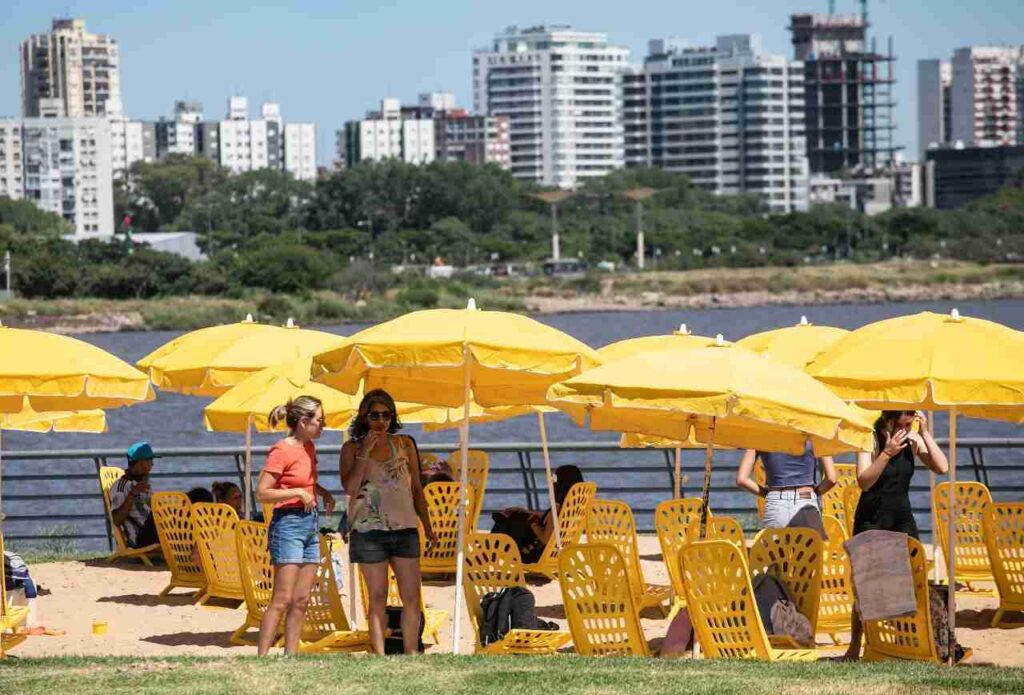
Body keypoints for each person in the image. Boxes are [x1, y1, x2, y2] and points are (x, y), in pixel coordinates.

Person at [844, 410, 949, 660]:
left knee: (909, 581)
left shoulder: (914, 438)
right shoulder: (868, 437)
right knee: (865, 584)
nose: (913, 418)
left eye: (914, 413)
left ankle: (903, 641)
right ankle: (854, 647)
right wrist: (887, 453)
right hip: (872, 517)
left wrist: (925, 434)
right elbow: (864, 481)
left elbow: (942, 467)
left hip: (901, 516)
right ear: (892, 415)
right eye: (908, 414)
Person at [340, 389, 436, 655]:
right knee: (378, 597)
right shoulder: (351, 448)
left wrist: (427, 526)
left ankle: (411, 653)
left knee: (411, 597)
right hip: (369, 532)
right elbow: (350, 488)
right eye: (374, 415)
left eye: (386, 414)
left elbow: (417, 488)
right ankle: (379, 655)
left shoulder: (405, 443)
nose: (381, 420)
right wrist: (364, 453)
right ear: (364, 417)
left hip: (405, 529)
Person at [254, 396, 336, 656]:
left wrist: (321, 492)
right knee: (282, 599)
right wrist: (299, 493)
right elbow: (262, 492)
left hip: (310, 524)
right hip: (287, 524)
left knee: (301, 600)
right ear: (303, 422)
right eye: (320, 421)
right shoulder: (281, 449)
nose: (324, 426)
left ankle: (291, 657)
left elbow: (303, 482)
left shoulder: (309, 447)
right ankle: (262, 657)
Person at [492, 464, 584, 564]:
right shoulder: (574, 507)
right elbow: (550, 523)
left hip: (534, 555)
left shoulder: (557, 509)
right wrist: (528, 513)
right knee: (512, 519)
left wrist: (533, 523)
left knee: (504, 525)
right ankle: (487, 552)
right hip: (556, 553)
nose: (552, 483)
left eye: (554, 480)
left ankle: (487, 555)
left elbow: (545, 539)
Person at [736, 441, 838, 528]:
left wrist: (768, 494)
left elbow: (741, 479)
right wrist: (813, 493)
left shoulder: (761, 435)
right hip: (806, 500)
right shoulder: (815, 435)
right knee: (807, 549)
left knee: (777, 550)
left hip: (776, 502)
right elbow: (831, 479)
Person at [109, 441, 160, 549]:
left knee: (196, 495)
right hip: (140, 538)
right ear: (141, 463)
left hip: (151, 531)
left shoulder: (141, 482)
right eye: (150, 460)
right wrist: (133, 494)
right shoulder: (121, 486)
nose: (152, 464)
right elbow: (116, 520)